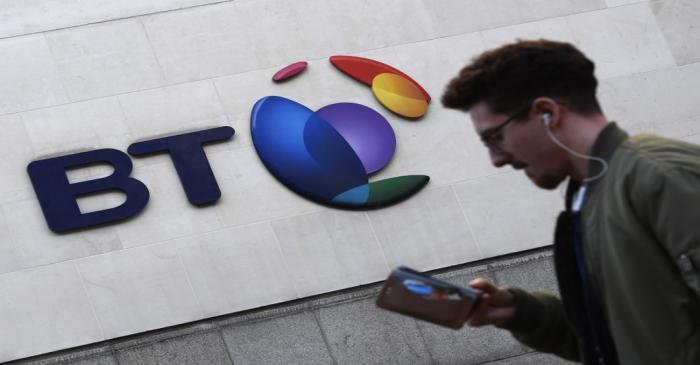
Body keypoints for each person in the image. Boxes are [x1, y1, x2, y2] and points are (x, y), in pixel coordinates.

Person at [441, 39, 700, 365]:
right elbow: (621, 344)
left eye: (496, 137)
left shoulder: (661, 176)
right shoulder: (588, 196)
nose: (496, 159)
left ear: (547, 113)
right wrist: (521, 314)